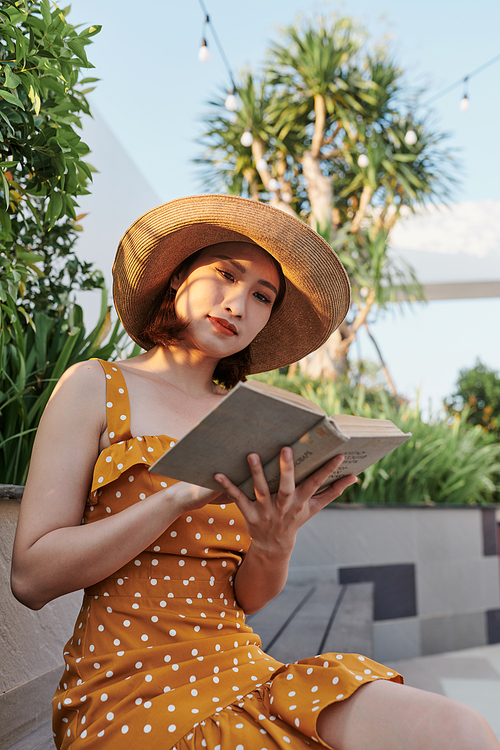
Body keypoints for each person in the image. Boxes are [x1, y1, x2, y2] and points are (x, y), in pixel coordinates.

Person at [11, 195, 499, 750]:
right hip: (128, 686)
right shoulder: (96, 385)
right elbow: (31, 579)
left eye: (262, 296)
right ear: (176, 279)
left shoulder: (253, 415)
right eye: (225, 275)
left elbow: (248, 598)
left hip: (238, 662)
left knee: (459, 730)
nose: (238, 303)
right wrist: (174, 498)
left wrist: (275, 540)